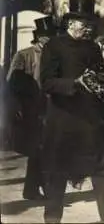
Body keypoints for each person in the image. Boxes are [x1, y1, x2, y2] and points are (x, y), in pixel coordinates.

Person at [40, 0, 104, 223]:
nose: (88, 28)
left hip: (90, 122)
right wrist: (75, 83)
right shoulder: (53, 46)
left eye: (90, 24)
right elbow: (46, 82)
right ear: (70, 23)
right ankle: (52, 220)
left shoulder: (93, 47)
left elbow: (102, 77)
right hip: (63, 122)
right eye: (83, 23)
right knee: (56, 177)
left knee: (103, 172)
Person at [7, 16, 57, 200]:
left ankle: (32, 189)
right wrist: (18, 107)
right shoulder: (24, 55)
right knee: (39, 148)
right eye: (46, 37)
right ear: (39, 38)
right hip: (32, 109)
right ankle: (44, 189)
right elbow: (12, 83)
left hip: (51, 107)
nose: (49, 40)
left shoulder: (55, 55)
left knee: (41, 150)